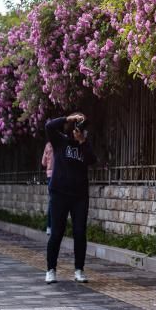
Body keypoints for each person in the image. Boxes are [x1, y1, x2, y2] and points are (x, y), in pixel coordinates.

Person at [44, 112, 97, 284]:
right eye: (77, 125)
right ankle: (51, 269)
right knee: (57, 232)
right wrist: (68, 118)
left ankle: (79, 270)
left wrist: (82, 141)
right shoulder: (60, 141)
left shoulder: (84, 144)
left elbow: (91, 160)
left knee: (80, 232)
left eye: (82, 126)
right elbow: (49, 126)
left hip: (79, 196)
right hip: (59, 193)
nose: (79, 129)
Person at [41, 141, 54, 235]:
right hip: (59, 174)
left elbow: (43, 163)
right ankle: (54, 226)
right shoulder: (60, 143)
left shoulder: (48, 145)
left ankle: (49, 227)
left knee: (51, 201)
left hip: (50, 175)